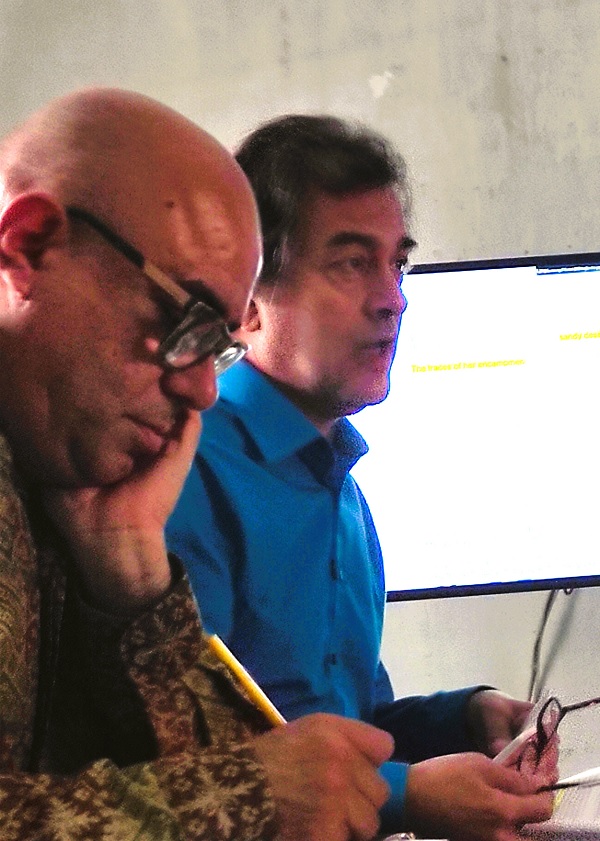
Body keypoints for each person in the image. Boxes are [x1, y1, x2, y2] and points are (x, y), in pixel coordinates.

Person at [0, 89, 413, 841]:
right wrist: (245, 795)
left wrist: (131, 575)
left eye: (217, 343)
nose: (203, 390)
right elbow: (243, 783)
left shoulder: (78, 473)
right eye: (183, 318)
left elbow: (197, 763)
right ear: (27, 249)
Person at [167, 114, 557, 839]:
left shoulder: (342, 492)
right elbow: (193, 768)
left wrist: (463, 716)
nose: (393, 298)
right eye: (351, 263)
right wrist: (408, 796)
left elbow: (350, 725)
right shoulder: (186, 474)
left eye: (396, 263)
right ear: (247, 303)